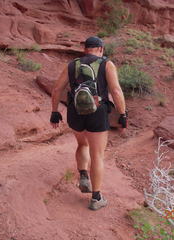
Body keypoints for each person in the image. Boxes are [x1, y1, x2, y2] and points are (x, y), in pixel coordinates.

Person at [50, 36, 127, 210]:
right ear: (101, 49)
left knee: (82, 144)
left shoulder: (72, 64)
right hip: (97, 113)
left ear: (86, 49)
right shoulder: (106, 64)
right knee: (97, 155)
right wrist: (122, 114)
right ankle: (96, 198)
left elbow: (57, 89)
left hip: (75, 112)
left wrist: (54, 112)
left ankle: (83, 175)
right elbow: (115, 90)